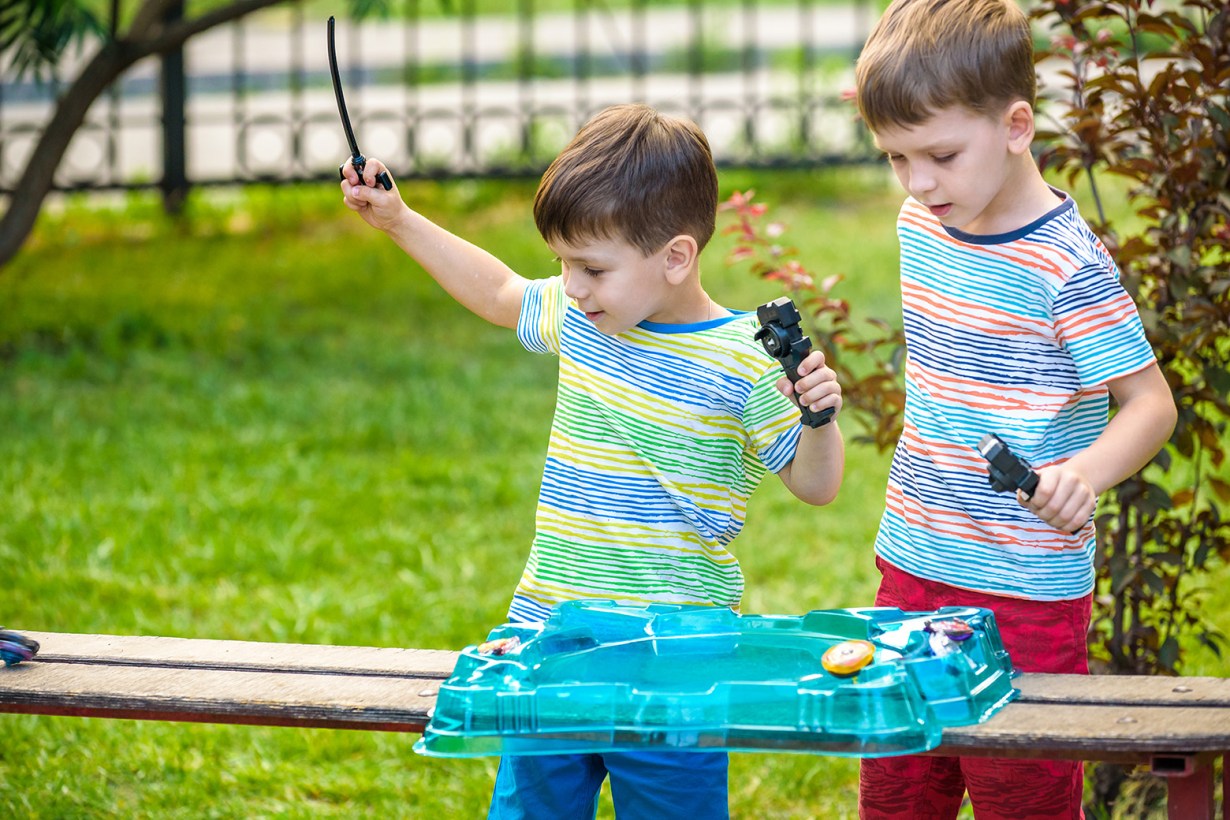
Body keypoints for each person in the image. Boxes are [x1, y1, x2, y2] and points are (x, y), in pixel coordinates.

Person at [340, 103, 845, 819]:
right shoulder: (585, 319)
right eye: (563, 265)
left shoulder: (744, 362)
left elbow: (817, 485)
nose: (572, 287)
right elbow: (498, 291)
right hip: (551, 637)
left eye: (591, 268)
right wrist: (398, 219)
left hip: (676, 664)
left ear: (675, 257)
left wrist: (817, 419)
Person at [852, 0, 1177, 817]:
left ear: (1016, 126)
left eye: (939, 155)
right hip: (913, 564)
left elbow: (1150, 405)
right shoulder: (923, 223)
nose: (918, 183)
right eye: (896, 159)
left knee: (1020, 797)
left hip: (1027, 592)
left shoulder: (1067, 266)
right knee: (898, 793)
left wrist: (1083, 475)